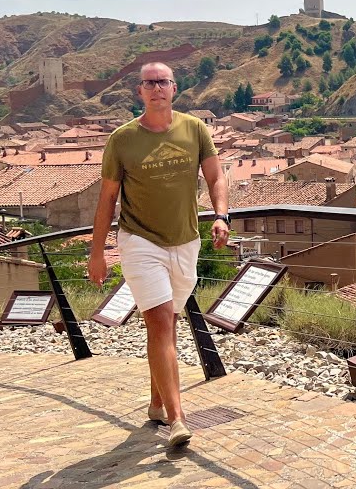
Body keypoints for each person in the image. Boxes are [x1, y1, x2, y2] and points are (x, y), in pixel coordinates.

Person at [89, 62, 229, 448]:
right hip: (139, 242)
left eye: (162, 82)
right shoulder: (122, 140)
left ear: (174, 88)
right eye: (149, 83)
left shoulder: (195, 129)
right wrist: (98, 252)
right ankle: (177, 418)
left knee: (169, 320)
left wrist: (220, 216)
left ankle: (156, 400)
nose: (156, 88)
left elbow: (216, 176)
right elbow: (107, 199)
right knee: (161, 323)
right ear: (139, 91)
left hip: (186, 240)